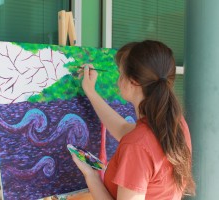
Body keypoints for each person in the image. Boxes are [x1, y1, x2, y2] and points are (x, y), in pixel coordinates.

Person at [71, 40, 196, 200]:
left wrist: (92, 177)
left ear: (134, 81)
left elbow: (136, 143)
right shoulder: (175, 124)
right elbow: (123, 129)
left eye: (121, 73)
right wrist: (91, 92)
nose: (118, 80)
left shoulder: (137, 145)